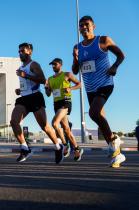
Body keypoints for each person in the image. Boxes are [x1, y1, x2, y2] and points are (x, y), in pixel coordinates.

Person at [72, 15, 125, 168]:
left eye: (86, 24)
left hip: (105, 83)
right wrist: (75, 58)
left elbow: (121, 55)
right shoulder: (77, 47)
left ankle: (114, 140)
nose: (83, 27)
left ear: (93, 26)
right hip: (90, 88)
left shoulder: (103, 40)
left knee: (93, 113)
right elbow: (75, 70)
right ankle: (118, 155)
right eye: (81, 25)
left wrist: (115, 66)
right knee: (99, 117)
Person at [10, 42, 64, 164]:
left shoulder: (33, 65)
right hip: (24, 98)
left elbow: (42, 80)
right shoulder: (21, 68)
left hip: (35, 97)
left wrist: (26, 75)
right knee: (14, 122)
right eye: (19, 51)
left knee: (44, 126)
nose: (20, 53)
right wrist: (20, 90)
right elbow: (26, 84)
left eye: (22, 51)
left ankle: (58, 145)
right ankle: (24, 148)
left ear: (29, 51)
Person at [45, 58, 83, 161]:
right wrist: (46, 88)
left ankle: (65, 145)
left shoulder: (67, 74)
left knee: (54, 123)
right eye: (52, 65)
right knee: (66, 129)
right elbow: (48, 94)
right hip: (56, 104)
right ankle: (77, 148)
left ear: (60, 65)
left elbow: (79, 84)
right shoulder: (50, 79)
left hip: (65, 102)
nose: (53, 66)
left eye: (55, 64)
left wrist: (70, 88)